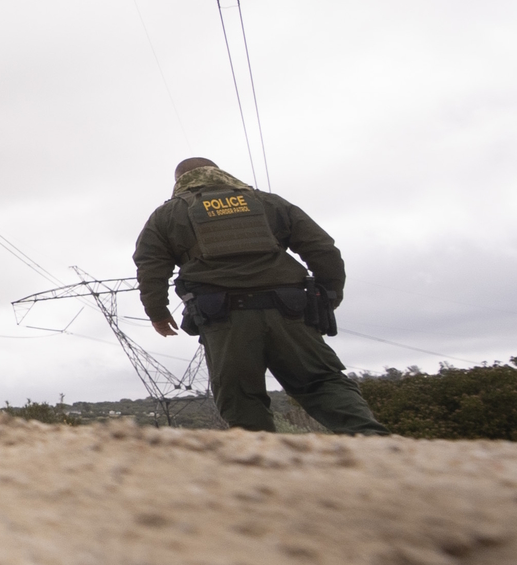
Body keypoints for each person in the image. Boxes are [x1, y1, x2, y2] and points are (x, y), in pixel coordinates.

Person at [135, 159, 380, 433]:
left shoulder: (167, 214)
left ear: (179, 181)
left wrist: (157, 312)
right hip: (290, 310)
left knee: (241, 397)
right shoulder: (268, 202)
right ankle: (375, 444)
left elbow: (150, 267)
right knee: (321, 382)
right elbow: (323, 249)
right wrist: (328, 295)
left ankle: (264, 465)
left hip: (224, 318)